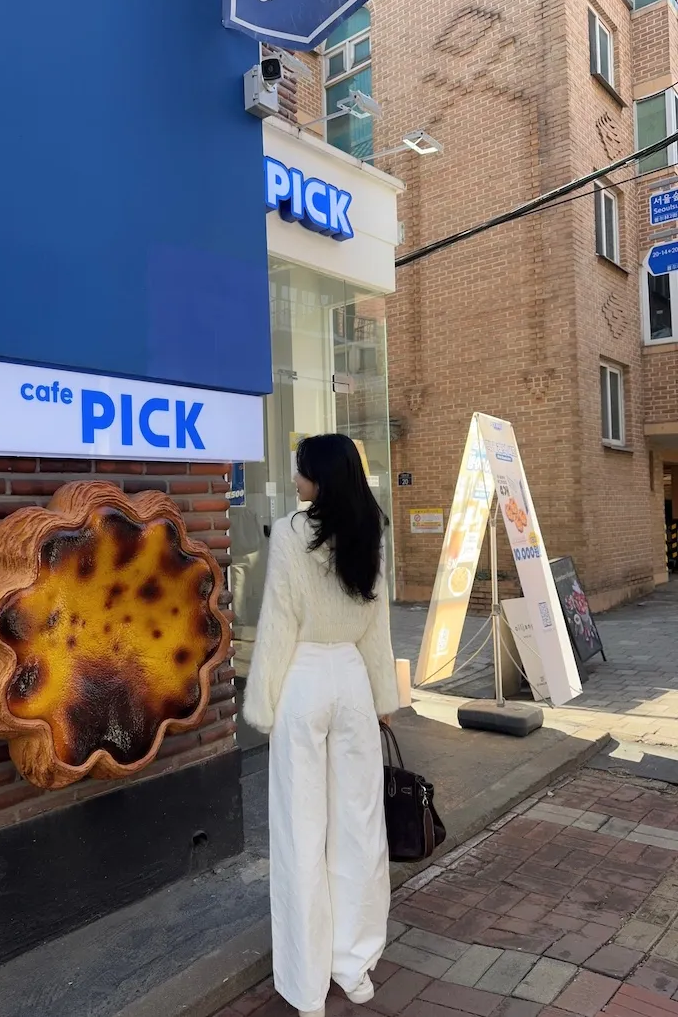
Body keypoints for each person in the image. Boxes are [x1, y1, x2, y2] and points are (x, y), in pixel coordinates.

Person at [243, 433, 400, 1017]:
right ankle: (355, 967)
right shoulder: (369, 528)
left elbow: (279, 620)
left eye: (302, 471)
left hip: (304, 679)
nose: (295, 480)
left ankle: (307, 987)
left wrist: (262, 702)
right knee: (360, 826)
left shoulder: (291, 531)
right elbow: (377, 623)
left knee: (300, 830)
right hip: (353, 678)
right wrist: (383, 694)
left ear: (321, 477)